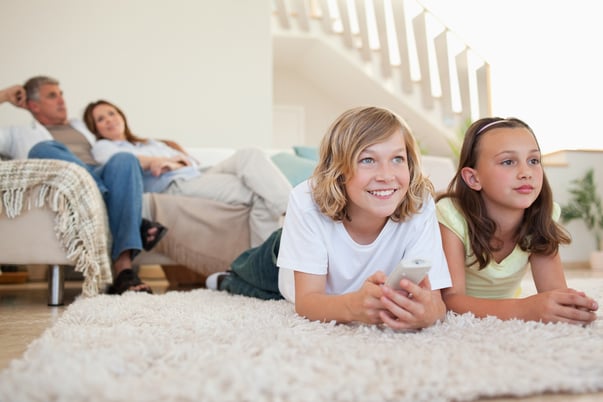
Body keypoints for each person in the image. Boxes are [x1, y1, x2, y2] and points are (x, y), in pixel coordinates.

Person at [206, 106, 452, 331]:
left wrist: (430, 313)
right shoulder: (305, 200)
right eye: (367, 160)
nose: (387, 175)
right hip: (283, 257)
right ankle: (226, 279)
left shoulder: (420, 202)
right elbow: (307, 303)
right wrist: (352, 308)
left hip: (330, 274)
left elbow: (437, 302)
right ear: (339, 170)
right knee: (247, 279)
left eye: (397, 159)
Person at [0, 77, 167, 295]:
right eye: (52, 95)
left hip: (99, 175)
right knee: (42, 149)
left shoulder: (81, 125)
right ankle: (116, 206)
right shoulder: (17, 134)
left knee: (125, 159)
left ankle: (124, 271)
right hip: (67, 183)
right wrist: (4, 96)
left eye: (61, 94)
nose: (62, 100)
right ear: (34, 105)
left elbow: (115, 136)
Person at [435, 117, 599, 325]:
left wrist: (569, 305)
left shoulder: (541, 216)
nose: (526, 173)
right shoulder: (451, 215)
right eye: (508, 162)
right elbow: (450, 301)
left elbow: (553, 291)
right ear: (473, 178)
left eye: (533, 161)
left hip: (504, 309)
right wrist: (524, 308)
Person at [83, 99, 292, 246]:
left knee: (250, 154)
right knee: (257, 193)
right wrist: (160, 161)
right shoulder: (103, 147)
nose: (109, 120)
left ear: (121, 116)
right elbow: (122, 164)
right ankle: (284, 237)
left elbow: (188, 161)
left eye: (112, 113)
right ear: (96, 128)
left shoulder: (150, 142)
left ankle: (293, 211)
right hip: (176, 185)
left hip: (198, 173)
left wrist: (171, 162)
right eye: (101, 119)